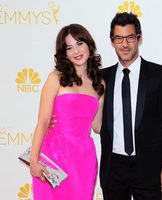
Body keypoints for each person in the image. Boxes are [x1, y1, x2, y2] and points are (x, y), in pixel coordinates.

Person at [100, 12, 162, 200]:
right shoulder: (103, 78)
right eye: (119, 38)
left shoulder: (158, 74)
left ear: (139, 38)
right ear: (112, 41)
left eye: (130, 37)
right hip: (113, 168)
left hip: (148, 167)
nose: (125, 44)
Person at [29, 24, 105, 200]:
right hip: (53, 155)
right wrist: (34, 160)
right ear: (64, 53)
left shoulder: (99, 84)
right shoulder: (56, 78)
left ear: (89, 45)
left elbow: (97, 126)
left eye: (79, 43)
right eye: (69, 47)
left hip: (83, 158)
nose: (76, 51)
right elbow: (43, 122)